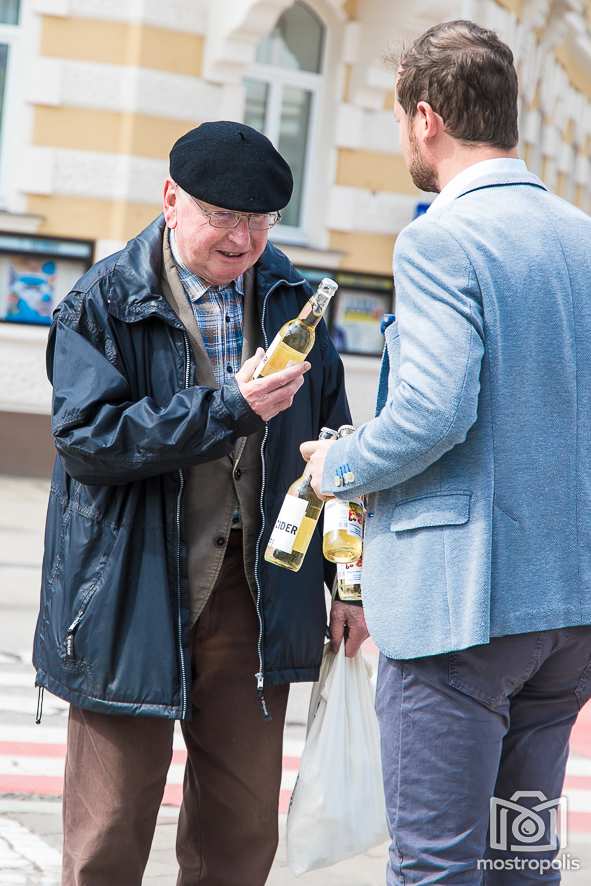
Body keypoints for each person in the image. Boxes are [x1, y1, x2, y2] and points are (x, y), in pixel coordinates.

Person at [32, 121, 365, 886]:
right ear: (171, 200)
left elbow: (333, 453)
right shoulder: (102, 301)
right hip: (126, 594)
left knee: (241, 833)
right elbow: (87, 442)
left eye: (259, 221)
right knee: (109, 834)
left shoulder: (292, 301)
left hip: (253, 598)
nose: (241, 239)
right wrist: (227, 408)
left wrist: (347, 587)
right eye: (222, 216)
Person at [302, 20, 591, 884]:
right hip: (567, 610)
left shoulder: (439, 238)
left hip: (459, 611)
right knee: (517, 861)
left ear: (424, 118)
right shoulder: (580, 235)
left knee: (433, 866)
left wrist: (338, 467)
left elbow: (431, 412)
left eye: (398, 120)